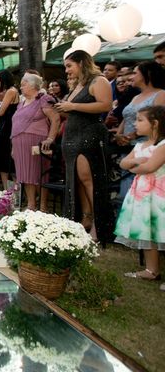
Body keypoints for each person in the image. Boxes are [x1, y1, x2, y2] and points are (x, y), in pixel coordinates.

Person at [55, 50, 113, 243]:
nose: (67, 71)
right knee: (77, 179)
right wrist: (62, 108)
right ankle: (85, 219)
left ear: (81, 63)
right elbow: (71, 112)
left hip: (89, 134)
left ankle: (98, 224)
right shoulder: (77, 85)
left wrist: (73, 107)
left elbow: (105, 106)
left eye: (69, 66)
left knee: (89, 179)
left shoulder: (99, 81)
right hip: (71, 135)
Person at [116, 106, 165, 287]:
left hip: (159, 196)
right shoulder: (139, 145)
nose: (135, 123)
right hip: (143, 196)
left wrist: (134, 167)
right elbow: (123, 163)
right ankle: (152, 270)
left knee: (162, 229)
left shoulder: (162, 145)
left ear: (155, 124)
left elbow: (150, 167)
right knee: (148, 231)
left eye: (139, 120)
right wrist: (134, 161)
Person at [114, 61, 165, 197]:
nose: (131, 77)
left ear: (147, 74)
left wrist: (132, 136)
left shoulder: (161, 95)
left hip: (148, 148)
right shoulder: (136, 96)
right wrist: (119, 134)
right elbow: (127, 117)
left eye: (135, 73)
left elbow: (158, 121)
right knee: (127, 189)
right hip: (127, 148)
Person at [11, 73, 61, 211]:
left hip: (38, 142)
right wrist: (13, 147)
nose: (21, 87)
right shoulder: (21, 103)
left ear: (33, 85)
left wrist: (50, 139)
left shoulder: (44, 99)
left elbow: (55, 119)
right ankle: (31, 205)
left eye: (23, 84)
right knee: (25, 174)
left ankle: (43, 206)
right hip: (19, 142)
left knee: (40, 174)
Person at [0, 71, 19, 189]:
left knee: (8, 161)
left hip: (9, 126)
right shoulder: (6, 92)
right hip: (3, 126)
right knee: (2, 161)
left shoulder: (11, 91)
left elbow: (1, 111)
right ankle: (6, 189)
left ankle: (15, 190)